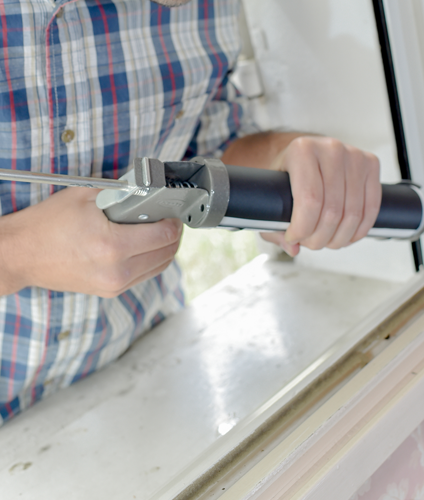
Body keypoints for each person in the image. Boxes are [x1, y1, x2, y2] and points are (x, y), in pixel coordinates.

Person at [0, 0, 381, 424]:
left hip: (144, 378)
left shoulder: (207, 10)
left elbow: (214, 144)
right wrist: (18, 256)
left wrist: (289, 163)